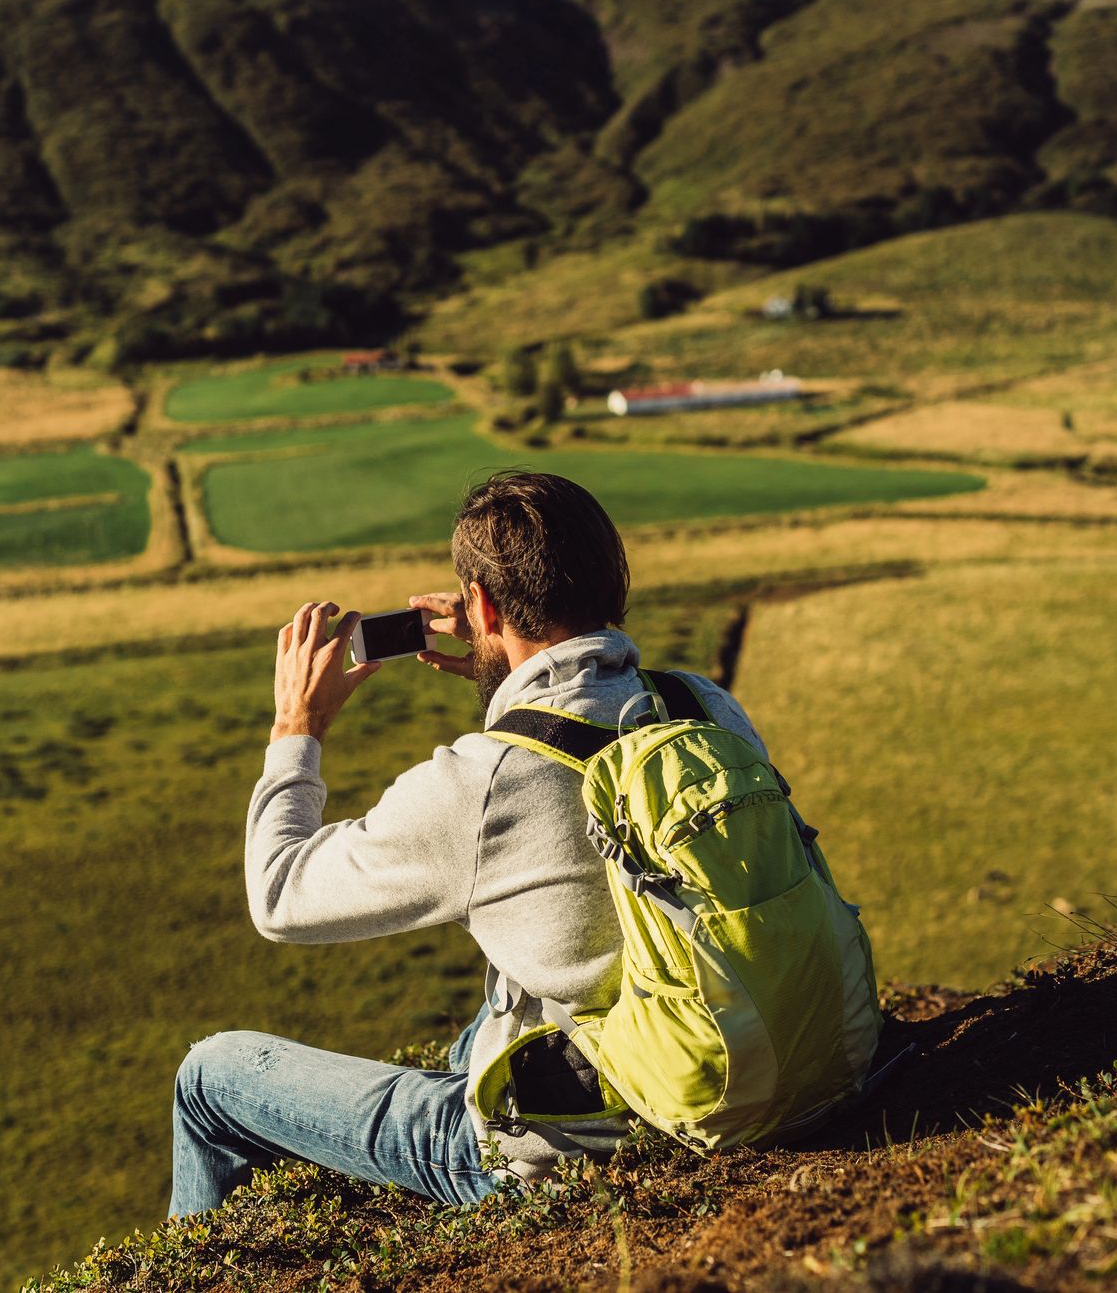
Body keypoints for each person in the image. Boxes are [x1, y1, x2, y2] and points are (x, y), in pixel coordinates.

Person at [169, 471, 771, 1217]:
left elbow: (279, 896)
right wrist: (504, 663)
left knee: (209, 1075)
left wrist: (296, 729)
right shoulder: (701, 703)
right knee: (485, 1024)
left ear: (480, 603)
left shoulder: (485, 782)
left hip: (583, 1138)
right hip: (733, 1055)